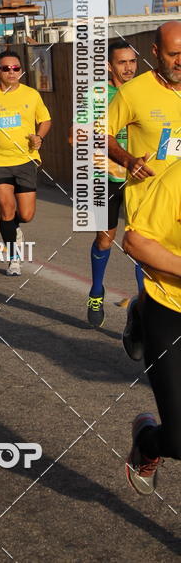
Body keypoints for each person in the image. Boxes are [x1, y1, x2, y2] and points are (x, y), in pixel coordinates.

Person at [109, 21, 181, 342]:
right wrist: (128, 160)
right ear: (155, 53)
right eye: (174, 54)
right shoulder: (133, 92)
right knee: (158, 293)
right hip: (148, 212)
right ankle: (143, 312)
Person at [121, 162, 181, 494]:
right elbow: (136, 242)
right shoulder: (176, 179)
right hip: (171, 309)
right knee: (179, 441)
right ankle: (148, 444)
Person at [0, 50, 51, 276]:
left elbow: (45, 120)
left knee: (26, 215)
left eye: (16, 68)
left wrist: (39, 137)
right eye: (6, 68)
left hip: (26, 159)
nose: (12, 72)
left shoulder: (31, 95)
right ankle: (13, 257)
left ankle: (14, 228)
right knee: (6, 209)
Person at [84, 40, 138, 327]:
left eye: (131, 61)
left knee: (142, 240)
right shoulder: (96, 95)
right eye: (122, 62)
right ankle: (96, 290)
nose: (128, 67)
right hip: (104, 176)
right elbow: (76, 134)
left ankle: (146, 303)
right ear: (109, 66)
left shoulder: (143, 91)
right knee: (105, 240)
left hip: (139, 177)